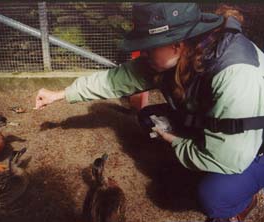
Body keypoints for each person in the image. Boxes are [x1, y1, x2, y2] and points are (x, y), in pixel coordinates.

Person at [35, 3, 264, 222]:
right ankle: (195, 163)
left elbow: (228, 158)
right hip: (217, 125)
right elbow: (115, 80)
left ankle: (242, 204)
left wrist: (177, 143)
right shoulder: (179, 54)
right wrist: (61, 94)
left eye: (148, 46)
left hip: (252, 146)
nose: (141, 52)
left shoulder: (236, 73)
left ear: (176, 44)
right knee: (149, 118)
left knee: (213, 196)